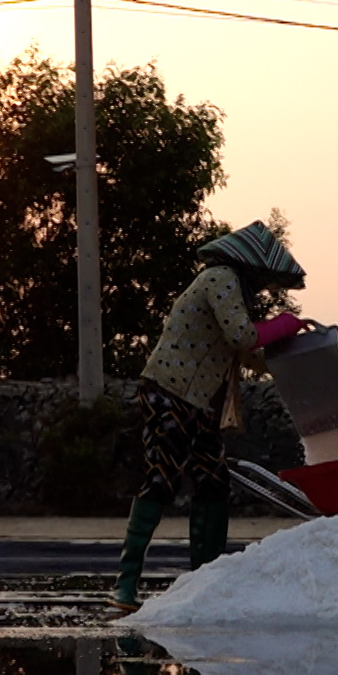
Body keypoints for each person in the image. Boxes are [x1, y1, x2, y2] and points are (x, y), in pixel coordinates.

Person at [110, 221, 307, 610]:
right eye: (265, 279)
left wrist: (297, 355)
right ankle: (125, 582)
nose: (265, 288)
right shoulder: (220, 279)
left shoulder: (230, 290)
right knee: (161, 478)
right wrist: (283, 325)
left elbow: (248, 354)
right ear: (250, 267)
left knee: (213, 484)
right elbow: (242, 338)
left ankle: (207, 581)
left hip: (200, 403)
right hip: (170, 392)